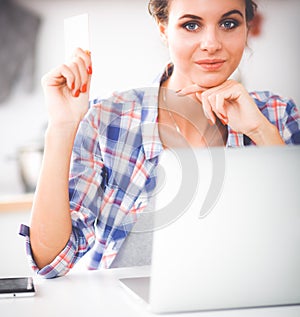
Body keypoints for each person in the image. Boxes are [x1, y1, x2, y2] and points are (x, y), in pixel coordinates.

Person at [20, 0, 300, 278]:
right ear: (163, 28)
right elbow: (50, 260)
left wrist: (260, 132)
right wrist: (61, 126)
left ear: (247, 26)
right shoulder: (108, 119)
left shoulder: (276, 115)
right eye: (191, 25)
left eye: (228, 23)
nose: (211, 43)